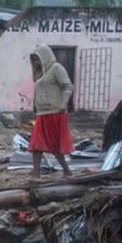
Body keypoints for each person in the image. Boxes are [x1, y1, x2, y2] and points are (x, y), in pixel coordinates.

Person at [29, 44, 74, 179]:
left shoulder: (56, 68)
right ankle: (36, 173)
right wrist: (34, 68)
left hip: (54, 112)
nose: (36, 62)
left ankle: (66, 171)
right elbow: (38, 85)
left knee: (53, 146)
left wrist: (64, 103)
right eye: (34, 59)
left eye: (38, 59)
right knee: (36, 144)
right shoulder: (40, 72)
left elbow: (68, 86)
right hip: (42, 113)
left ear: (45, 56)